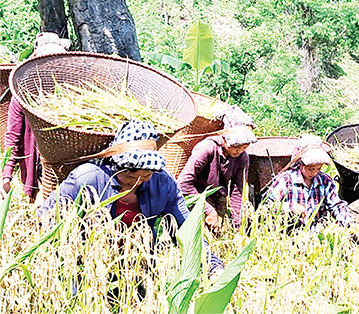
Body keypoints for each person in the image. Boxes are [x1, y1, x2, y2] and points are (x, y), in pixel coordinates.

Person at [37, 120, 224, 275]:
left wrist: (212, 266)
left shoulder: (163, 183)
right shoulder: (88, 178)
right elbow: (46, 218)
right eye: (130, 177)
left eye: (145, 177)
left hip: (136, 266)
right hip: (87, 266)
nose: (136, 183)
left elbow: (187, 229)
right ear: (117, 165)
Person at [2, 32, 70, 201]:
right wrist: (6, 175)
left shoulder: (71, 95)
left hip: (65, 171)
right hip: (36, 170)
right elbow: (13, 137)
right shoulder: (22, 96)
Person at [178, 106, 256, 231]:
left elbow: (238, 191)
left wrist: (237, 224)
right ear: (224, 139)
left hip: (219, 196)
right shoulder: (206, 149)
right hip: (195, 195)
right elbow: (183, 183)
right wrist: (207, 210)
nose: (239, 151)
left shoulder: (242, 157)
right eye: (236, 146)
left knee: (223, 233)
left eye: (244, 147)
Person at [263, 134, 353, 229]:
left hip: (315, 232)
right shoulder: (286, 180)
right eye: (310, 169)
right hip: (289, 232)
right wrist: (290, 206)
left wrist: (348, 222)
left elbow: (336, 205)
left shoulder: (325, 181)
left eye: (318, 169)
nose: (314, 173)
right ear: (300, 163)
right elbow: (267, 205)